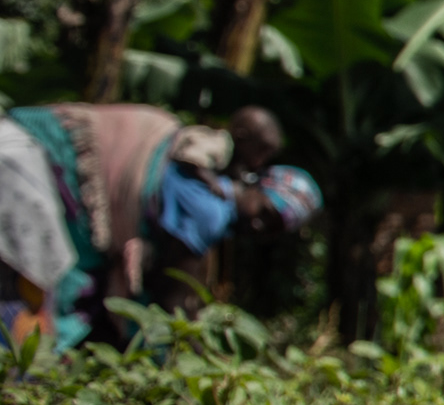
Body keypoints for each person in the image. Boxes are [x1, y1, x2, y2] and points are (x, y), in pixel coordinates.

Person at [0, 102, 317, 348]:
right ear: (257, 186)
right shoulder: (209, 210)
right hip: (27, 167)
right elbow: (174, 301)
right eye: (265, 212)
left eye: (271, 229)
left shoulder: (198, 172)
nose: (259, 226)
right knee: (29, 316)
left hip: (24, 142)